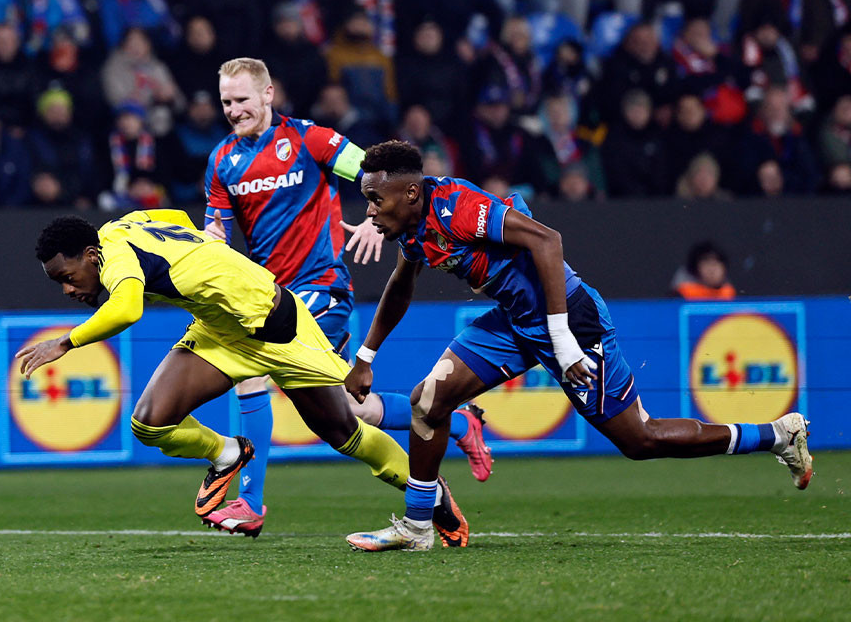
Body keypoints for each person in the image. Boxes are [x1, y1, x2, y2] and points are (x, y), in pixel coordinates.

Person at [343, 141, 813, 552]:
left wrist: (563, 337)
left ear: (410, 192)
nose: (369, 210)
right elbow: (400, 286)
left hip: (569, 317)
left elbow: (548, 241)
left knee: (640, 440)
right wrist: (365, 357)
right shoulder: (413, 229)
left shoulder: (457, 207)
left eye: (375, 199)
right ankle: (418, 527)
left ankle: (776, 435)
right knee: (428, 401)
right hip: (515, 321)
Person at [18, 210, 457, 538]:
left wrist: (65, 342)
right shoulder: (121, 226)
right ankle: (228, 453)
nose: (68, 289)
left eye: (67, 277)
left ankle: (432, 496)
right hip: (220, 329)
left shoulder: (115, 262)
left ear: (90, 255)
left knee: (344, 428)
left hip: (276, 326)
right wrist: (204, 255)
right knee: (149, 423)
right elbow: (176, 218)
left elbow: (128, 308)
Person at [199, 58, 490, 542]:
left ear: (268, 94)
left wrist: (377, 220)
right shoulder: (221, 160)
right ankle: (456, 423)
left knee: (250, 370)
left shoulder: (309, 139)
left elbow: (376, 174)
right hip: (269, 295)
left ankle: (250, 502)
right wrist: (210, 244)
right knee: (353, 410)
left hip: (320, 286)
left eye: (243, 99)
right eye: (227, 101)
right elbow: (218, 229)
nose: (234, 110)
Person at [671, 241, 736, 299]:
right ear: (695, 268)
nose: (712, 270)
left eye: (716, 264)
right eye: (707, 264)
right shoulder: (681, 295)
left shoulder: (730, 294)